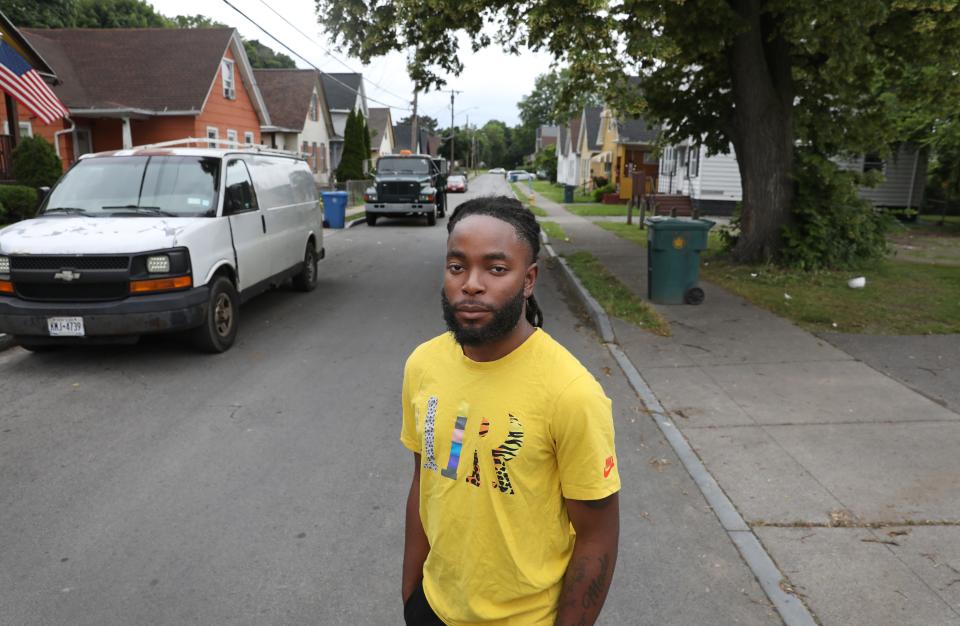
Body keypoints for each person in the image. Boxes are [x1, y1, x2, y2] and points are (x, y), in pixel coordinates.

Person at [400, 196, 621, 625]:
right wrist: (411, 593)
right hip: (432, 608)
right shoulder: (422, 366)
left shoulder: (571, 393)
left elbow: (598, 538)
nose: (471, 284)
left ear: (529, 279)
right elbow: (423, 480)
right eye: (457, 266)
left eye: (496, 269)